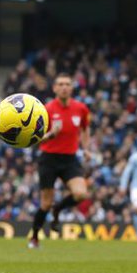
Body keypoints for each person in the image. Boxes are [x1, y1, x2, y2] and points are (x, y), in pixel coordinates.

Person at [29, 73, 91, 249]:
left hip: (70, 159)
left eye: (67, 84)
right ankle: (34, 237)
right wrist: (50, 135)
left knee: (81, 194)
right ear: (54, 88)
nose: (64, 87)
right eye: (60, 84)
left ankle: (58, 209)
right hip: (49, 159)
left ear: (72, 88)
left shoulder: (81, 108)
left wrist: (86, 148)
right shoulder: (46, 110)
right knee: (45, 203)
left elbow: (85, 129)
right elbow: (35, 139)